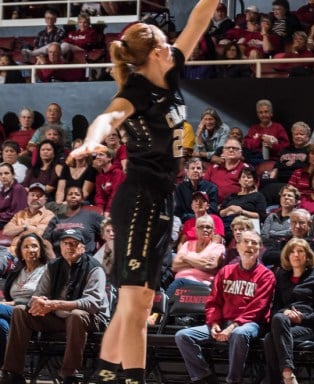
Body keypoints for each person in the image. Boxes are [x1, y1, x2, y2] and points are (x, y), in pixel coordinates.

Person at [65, 2, 220, 383]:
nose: (175, 46)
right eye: (168, 43)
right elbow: (108, 116)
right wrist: (90, 143)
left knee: (140, 301)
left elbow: (199, 18)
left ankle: (110, 375)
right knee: (134, 303)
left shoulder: (170, 69)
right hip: (138, 200)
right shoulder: (137, 89)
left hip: (163, 198)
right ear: (154, 53)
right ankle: (125, 377)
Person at [1, 228, 109, 384]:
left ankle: (69, 375)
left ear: (83, 248)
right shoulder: (53, 266)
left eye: (74, 243)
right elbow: (37, 294)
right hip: (57, 318)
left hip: (92, 320)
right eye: (66, 243)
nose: (69, 247)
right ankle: (12, 372)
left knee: (76, 315)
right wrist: (38, 302)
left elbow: (92, 304)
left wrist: (56, 304)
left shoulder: (94, 268)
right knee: (19, 311)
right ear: (61, 246)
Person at [175, 230, 276, 384]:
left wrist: (232, 327)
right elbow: (213, 302)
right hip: (222, 322)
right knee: (183, 336)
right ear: (238, 247)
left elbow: (258, 308)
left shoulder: (266, 275)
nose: (250, 246)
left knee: (239, 334)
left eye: (254, 243)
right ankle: (204, 378)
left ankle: (233, 380)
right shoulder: (225, 271)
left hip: (251, 324)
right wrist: (214, 323)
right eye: (246, 242)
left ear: (260, 249)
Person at [264, 238, 314, 384]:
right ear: (287, 256)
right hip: (286, 325)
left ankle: (286, 374)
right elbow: (275, 308)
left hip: (312, 326)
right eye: (292, 252)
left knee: (273, 336)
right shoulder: (282, 277)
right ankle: (287, 373)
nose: (295, 255)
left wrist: (303, 318)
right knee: (275, 326)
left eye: (300, 251)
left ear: (307, 255)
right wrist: (285, 312)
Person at [0, 233, 49, 364]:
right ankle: (6, 369)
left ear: (41, 249)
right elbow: (8, 295)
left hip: (33, 312)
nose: (31, 250)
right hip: (12, 312)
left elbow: (43, 298)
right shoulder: (17, 271)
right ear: (20, 251)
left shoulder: (48, 270)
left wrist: (12, 303)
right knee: (1, 325)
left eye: (34, 246)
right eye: (26, 247)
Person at [2, 183, 55, 256]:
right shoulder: (20, 214)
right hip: (10, 252)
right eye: (32, 195)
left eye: (39, 196)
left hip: (31, 254)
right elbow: (6, 231)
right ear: (27, 197)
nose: (35, 198)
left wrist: (17, 232)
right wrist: (25, 227)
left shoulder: (49, 215)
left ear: (45, 199)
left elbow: (39, 234)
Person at [219, 167, 266, 241]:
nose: (246, 179)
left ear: (254, 181)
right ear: (239, 180)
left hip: (246, 226)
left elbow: (261, 216)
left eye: (249, 177)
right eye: (243, 177)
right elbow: (221, 213)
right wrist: (230, 208)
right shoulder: (231, 196)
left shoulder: (258, 196)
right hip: (228, 224)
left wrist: (242, 211)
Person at [174, 157, 219, 222]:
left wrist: (197, 217)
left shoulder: (212, 188)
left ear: (203, 172)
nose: (195, 170)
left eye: (198, 168)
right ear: (187, 171)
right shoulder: (179, 188)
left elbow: (213, 210)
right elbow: (177, 210)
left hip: (205, 221)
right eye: (192, 168)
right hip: (184, 221)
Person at [92, 148, 125, 214]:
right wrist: (99, 209)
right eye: (97, 155)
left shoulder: (118, 173)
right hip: (109, 208)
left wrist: (108, 211)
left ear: (109, 158)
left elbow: (115, 194)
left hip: (121, 208)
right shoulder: (99, 177)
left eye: (101, 154)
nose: (97, 157)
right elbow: (99, 196)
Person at [0, 162, 28, 229]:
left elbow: (18, 212)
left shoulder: (18, 188)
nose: (3, 176)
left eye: (6, 173)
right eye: (0, 174)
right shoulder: (3, 189)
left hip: (12, 222)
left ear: (13, 175)